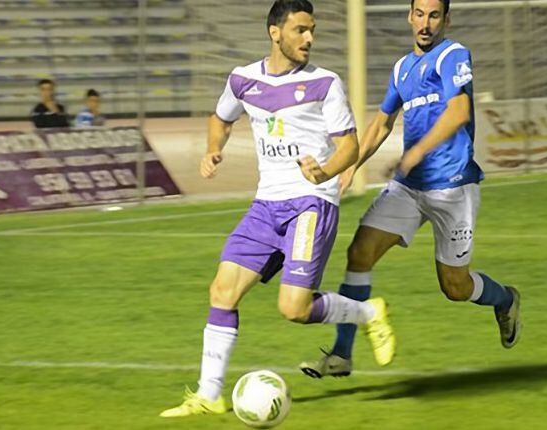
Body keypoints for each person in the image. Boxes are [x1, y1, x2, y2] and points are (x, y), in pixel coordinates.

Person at [159, 0, 395, 418]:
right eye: (300, 30)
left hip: (310, 203)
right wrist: (215, 149)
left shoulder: (325, 83)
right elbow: (221, 117)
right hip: (266, 204)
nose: (309, 38)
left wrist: (324, 173)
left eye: (312, 30)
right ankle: (210, 395)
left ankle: (365, 311)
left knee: (293, 309)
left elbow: (350, 147)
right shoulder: (243, 79)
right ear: (275, 32)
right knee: (222, 291)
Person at [299, 0, 521, 379]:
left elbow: (459, 112)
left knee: (454, 286)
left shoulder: (453, 55)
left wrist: (416, 151)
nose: (425, 23)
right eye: (419, 14)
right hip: (408, 187)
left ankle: (505, 298)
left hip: (453, 188)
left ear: (446, 20)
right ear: (409, 16)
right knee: (360, 253)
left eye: (434, 16)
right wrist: (351, 164)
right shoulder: (402, 68)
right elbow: (382, 122)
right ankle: (341, 354)